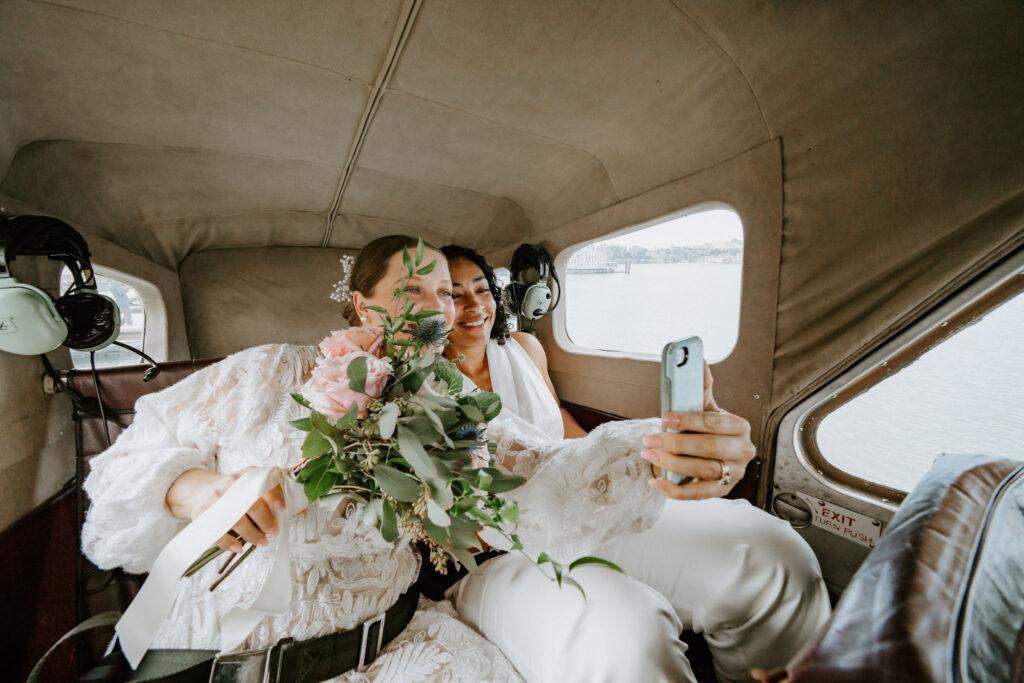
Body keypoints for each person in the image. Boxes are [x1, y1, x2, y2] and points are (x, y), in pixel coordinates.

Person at [81, 235, 700, 682]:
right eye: (412, 289)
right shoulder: (266, 370)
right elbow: (126, 465)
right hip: (210, 652)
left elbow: (544, 478)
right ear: (361, 304)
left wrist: (660, 446)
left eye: (444, 293)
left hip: (385, 647)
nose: (437, 306)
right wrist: (195, 491)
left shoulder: (453, 405)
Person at [440, 244, 832, 683]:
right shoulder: (420, 383)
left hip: (578, 510)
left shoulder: (526, 348)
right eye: (455, 295)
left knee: (772, 556)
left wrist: (620, 475)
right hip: (494, 553)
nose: (475, 305)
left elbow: (562, 428)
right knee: (628, 637)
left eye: (482, 289)